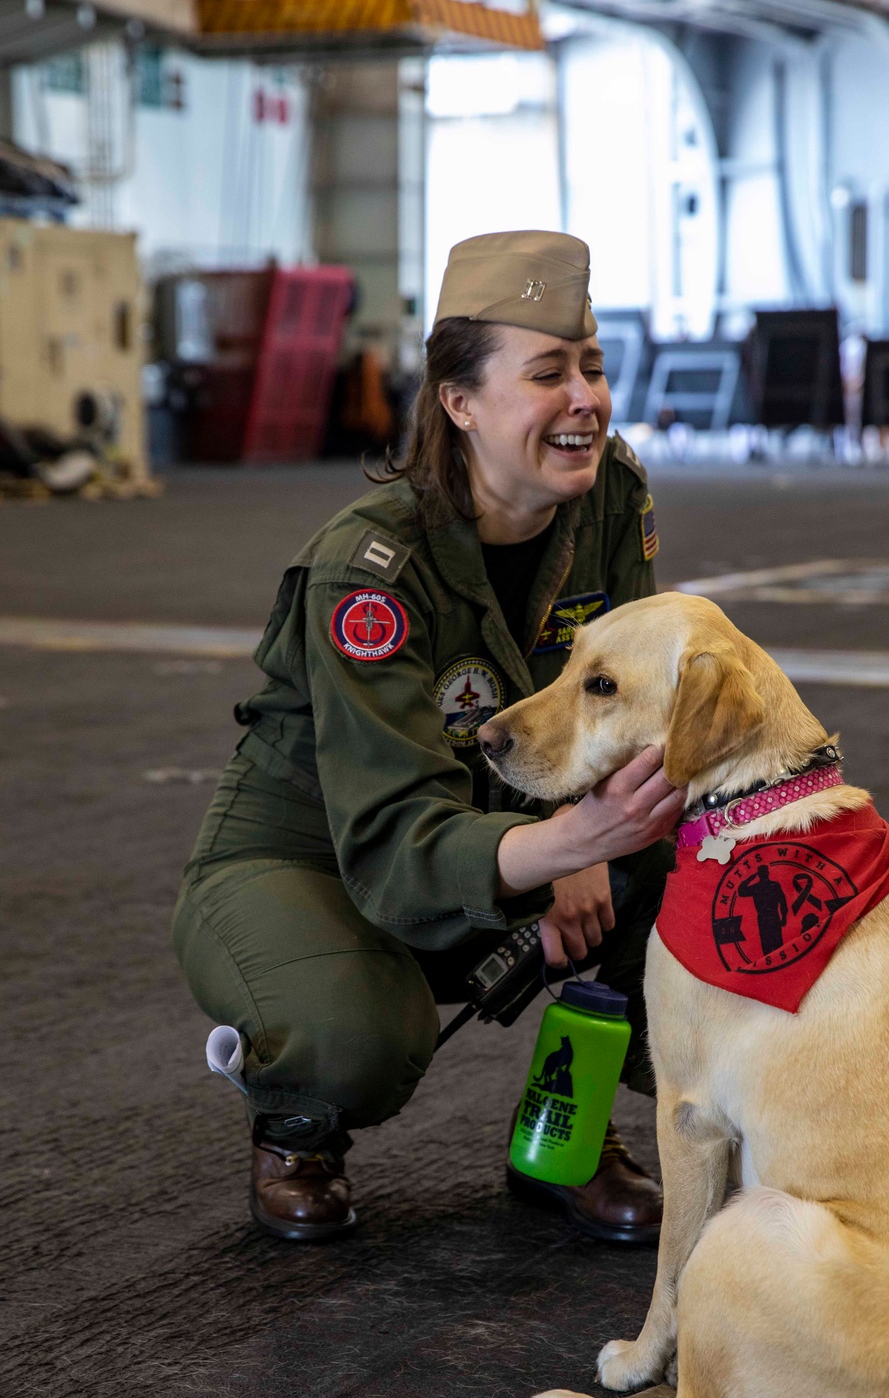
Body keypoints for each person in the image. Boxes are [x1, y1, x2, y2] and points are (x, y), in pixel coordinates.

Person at [172, 230, 686, 1245]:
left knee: (692, 858)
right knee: (356, 1037)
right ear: (458, 402)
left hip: (507, 820)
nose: (584, 397)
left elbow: (631, 700)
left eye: (590, 364)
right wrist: (571, 844)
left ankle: (564, 1138)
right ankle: (297, 1126)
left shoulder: (612, 497)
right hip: (313, 853)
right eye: (547, 373)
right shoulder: (367, 573)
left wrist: (588, 830)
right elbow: (392, 836)